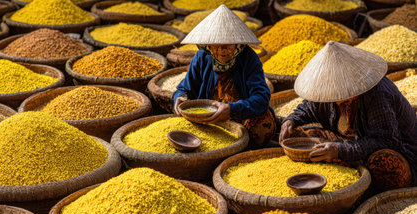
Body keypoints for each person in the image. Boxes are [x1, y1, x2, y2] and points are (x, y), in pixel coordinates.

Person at [279, 41, 417, 190]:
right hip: (351, 144)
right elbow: (309, 107)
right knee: (301, 134)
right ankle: (349, 170)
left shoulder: (377, 94)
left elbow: (387, 141)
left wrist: (340, 150)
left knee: (383, 162)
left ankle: (366, 189)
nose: (334, 97)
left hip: (400, 153)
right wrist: (291, 120)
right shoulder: (328, 92)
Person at [173, 5, 275, 146]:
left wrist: (232, 109)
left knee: (262, 125)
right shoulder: (202, 57)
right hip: (208, 117)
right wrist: (180, 97)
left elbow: (261, 98)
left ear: (238, 45)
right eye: (216, 46)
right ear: (208, 45)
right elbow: (185, 88)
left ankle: (244, 149)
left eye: (229, 45)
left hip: (240, 115)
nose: (222, 50)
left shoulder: (249, 58)